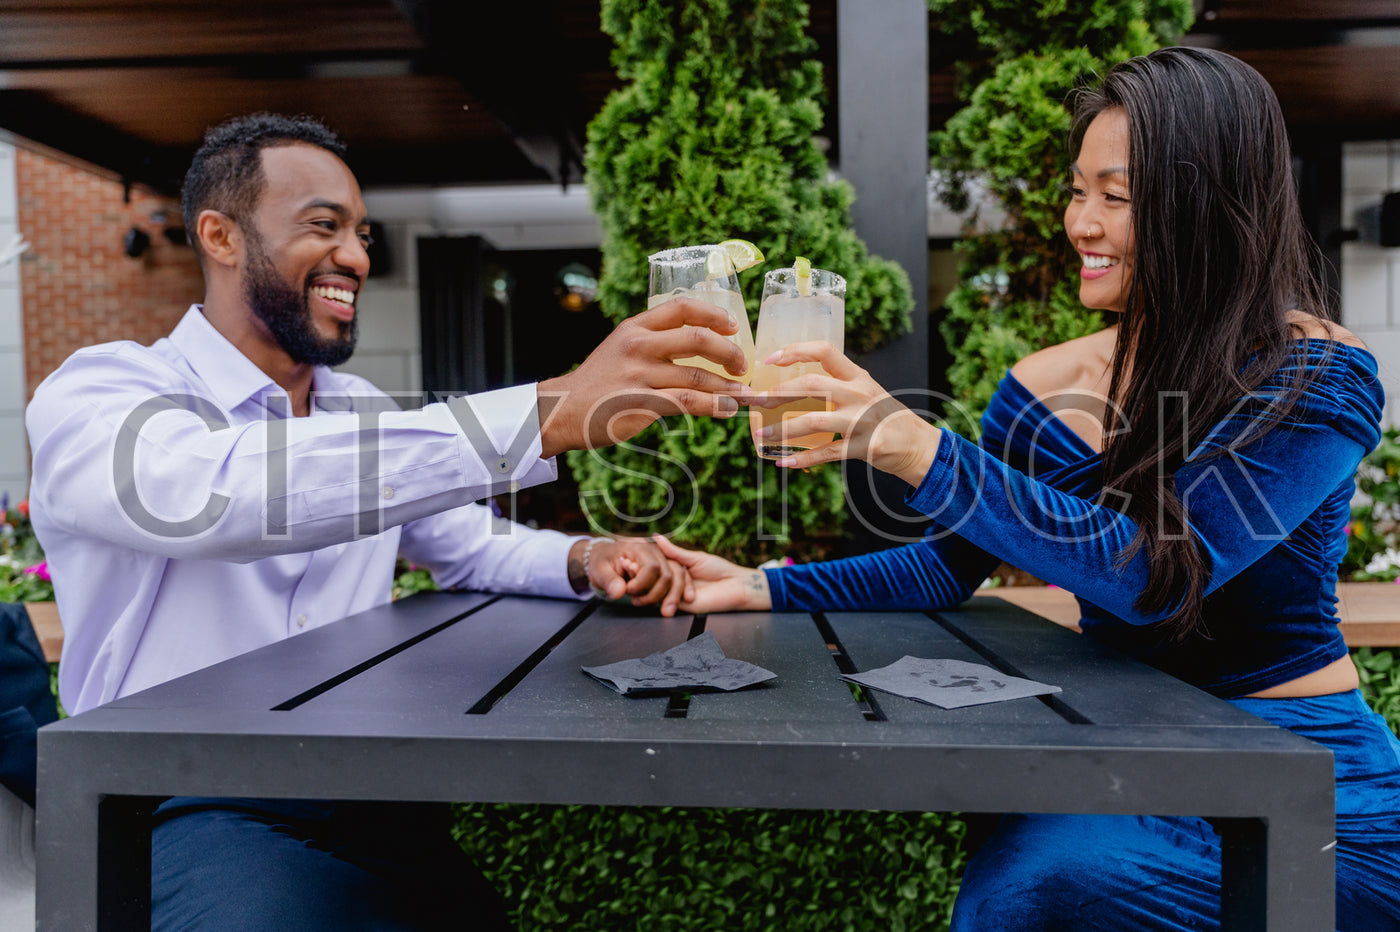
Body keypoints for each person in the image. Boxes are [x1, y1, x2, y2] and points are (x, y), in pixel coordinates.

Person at [658, 47, 1400, 929]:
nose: (1079, 222)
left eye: (1115, 197)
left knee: (1040, 879)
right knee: (1032, 863)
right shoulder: (1044, 387)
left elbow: (1156, 574)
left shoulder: (1316, 375)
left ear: (1208, 208)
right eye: (1076, 189)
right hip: (1120, 758)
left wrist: (911, 445)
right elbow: (952, 567)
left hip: (1307, 785)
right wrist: (756, 585)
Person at [24, 112, 752, 930]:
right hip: (186, 804)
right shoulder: (100, 393)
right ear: (220, 237)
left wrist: (587, 557)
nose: (357, 257)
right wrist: (545, 413)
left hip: (371, 793)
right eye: (323, 227)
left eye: (363, 234)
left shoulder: (359, 409)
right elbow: (223, 497)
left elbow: (465, 543)